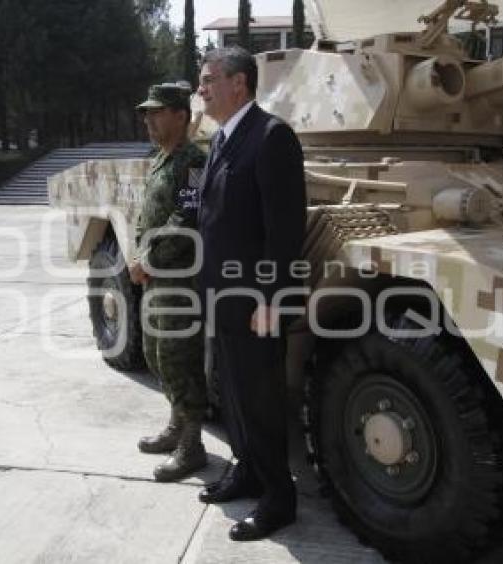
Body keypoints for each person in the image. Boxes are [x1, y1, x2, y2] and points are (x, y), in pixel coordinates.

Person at [195, 47, 307, 541]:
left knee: (261, 398)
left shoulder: (271, 136)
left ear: (237, 83)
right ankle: (246, 469)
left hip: (255, 301)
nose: (200, 90)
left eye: (206, 81)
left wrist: (269, 300)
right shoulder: (222, 138)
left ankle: (279, 497)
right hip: (221, 295)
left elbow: (284, 233)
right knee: (233, 392)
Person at [130, 82, 208, 482]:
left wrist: (149, 259)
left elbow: (186, 219)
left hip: (180, 279)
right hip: (157, 278)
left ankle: (192, 447)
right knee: (157, 352)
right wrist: (138, 255)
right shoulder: (162, 158)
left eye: (157, 111)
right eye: (146, 112)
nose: (149, 119)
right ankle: (176, 427)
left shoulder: (193, 161)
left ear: (181, 116)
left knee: (180, 358)